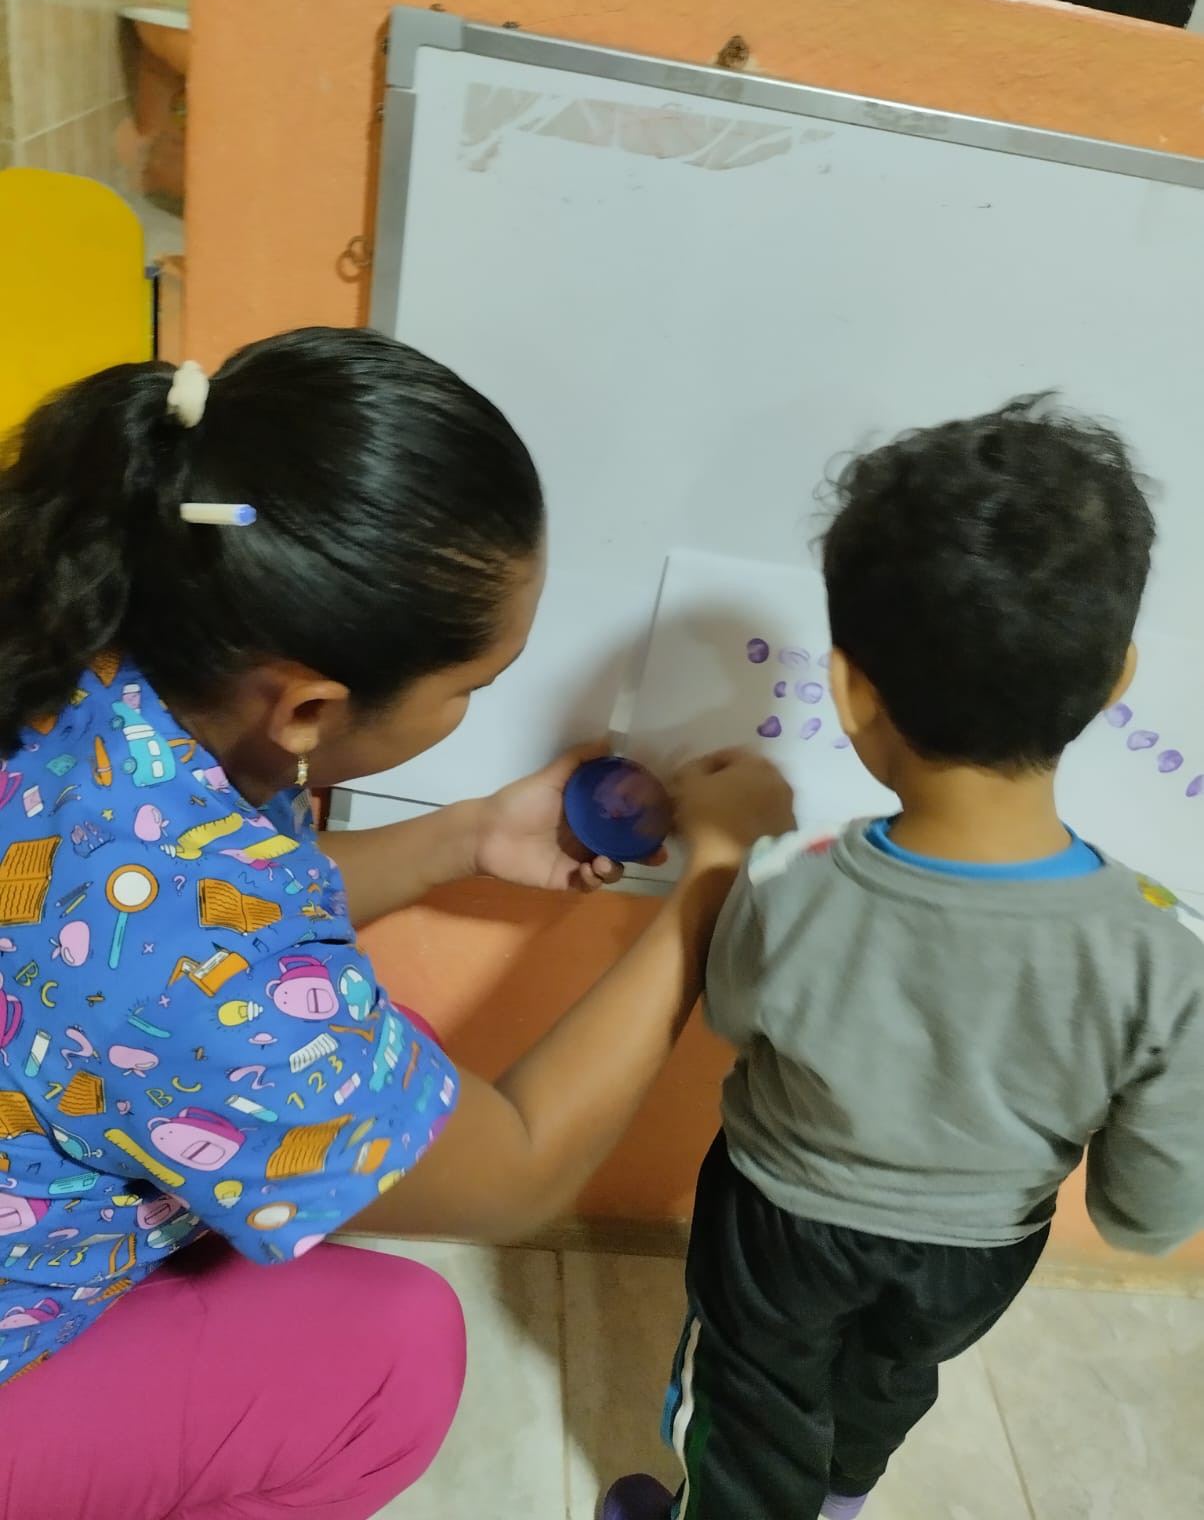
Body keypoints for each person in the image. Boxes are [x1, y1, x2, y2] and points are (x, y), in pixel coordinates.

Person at [0, 327, 795, 1520]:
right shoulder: (206, 969)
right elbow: (518, 1169)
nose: (478, 703)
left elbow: (159, 913)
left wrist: (463, 838)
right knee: (394, 1355)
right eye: (472, 687)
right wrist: (713, 880)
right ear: (308, 707)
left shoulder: (91, 642)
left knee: (391, 1052)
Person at [603, 397, 1204, 1520]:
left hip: (779, 1221)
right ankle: (840, 1502)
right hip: (980, 1251)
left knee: (750, 1395)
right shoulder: (1165, 957)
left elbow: (729, 1012)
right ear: (1116, 676)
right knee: (886, 1379)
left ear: (849, 691)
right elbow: (1149, 1212)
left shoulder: (792, 882)